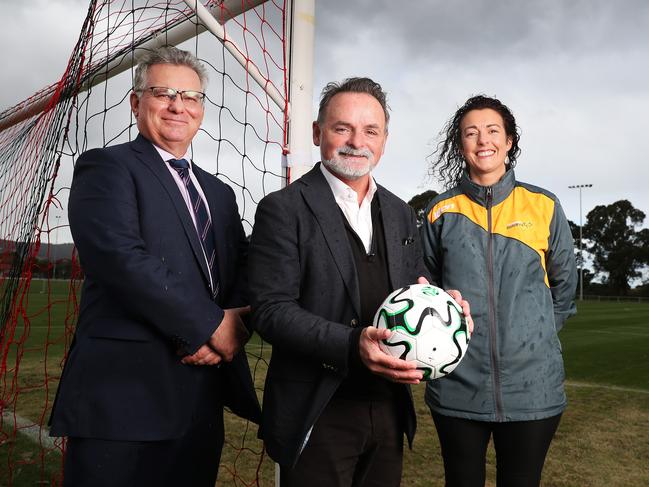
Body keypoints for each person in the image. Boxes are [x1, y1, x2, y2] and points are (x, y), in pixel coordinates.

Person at [48, 46, 261, 487]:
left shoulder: (218, 193)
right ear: (135, 102)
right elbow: (120, 259)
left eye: (190, 96)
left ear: (202, 108)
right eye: (162, 93)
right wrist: (209, 326)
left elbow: (240, 270)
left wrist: (234, 326)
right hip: (124, 400)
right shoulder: (106, 167)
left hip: (202, 397)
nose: (177, 105)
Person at [248, 77, 471, 487]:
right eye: (341, 128)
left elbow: (416, 287)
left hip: (387, 410)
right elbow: (271, 310)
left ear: (384, 139)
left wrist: (447, 307)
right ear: (318, 133)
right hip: (317, 410)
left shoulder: (401, 211)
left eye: (370, 130)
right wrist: (353, 345)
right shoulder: (283, 209)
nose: (357, 141)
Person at [421, 94, 577, 487]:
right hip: (457, 388)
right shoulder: (441, 211)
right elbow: (427, 290)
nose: (482, 140)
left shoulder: (544, 205)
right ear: (461, 145)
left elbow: (564, 287)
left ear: (509, 141)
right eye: (470, 133)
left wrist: (534, 336)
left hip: (533, 390)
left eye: (493, 131)